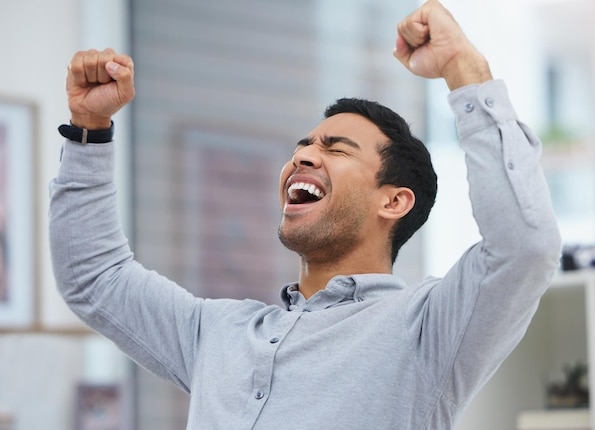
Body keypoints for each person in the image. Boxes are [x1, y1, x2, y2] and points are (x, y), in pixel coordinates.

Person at [49, 0, 561, 429]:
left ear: (394, 201)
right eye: (303, 145)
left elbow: (524, 247)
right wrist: (89, 128)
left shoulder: (427, 328)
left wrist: (463, 70)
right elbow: (95, 278)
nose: (304, 156)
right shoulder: (217, 334)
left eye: (336, 149)